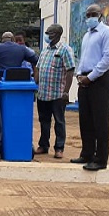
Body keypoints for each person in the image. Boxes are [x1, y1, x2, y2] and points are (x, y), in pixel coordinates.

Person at [71, 3, 109, 171]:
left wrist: (90, 77)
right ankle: (87, 153)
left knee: (100, 119)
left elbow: (108, 58)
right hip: (84, 79)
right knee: (85, 119)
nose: (89, 18)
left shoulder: (107, 33)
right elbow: (83, 58)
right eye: (88, 15)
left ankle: (100, 158)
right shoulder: (87, 35)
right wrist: (79, 74)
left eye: (93, 14)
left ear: (100, 16)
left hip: (99, 79)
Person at [34, 24, 75, 159]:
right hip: (43, 93)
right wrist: (35, 82)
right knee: (44, 121)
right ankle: (43, 145)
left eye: (49, 33)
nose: (46, 35)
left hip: (57, 93)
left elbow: (70, 71)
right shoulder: (45, 51)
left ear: (57, 34)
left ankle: (59, 148)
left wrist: (66, 91)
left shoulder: (65, 50)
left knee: (59, 121)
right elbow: (38, 67)